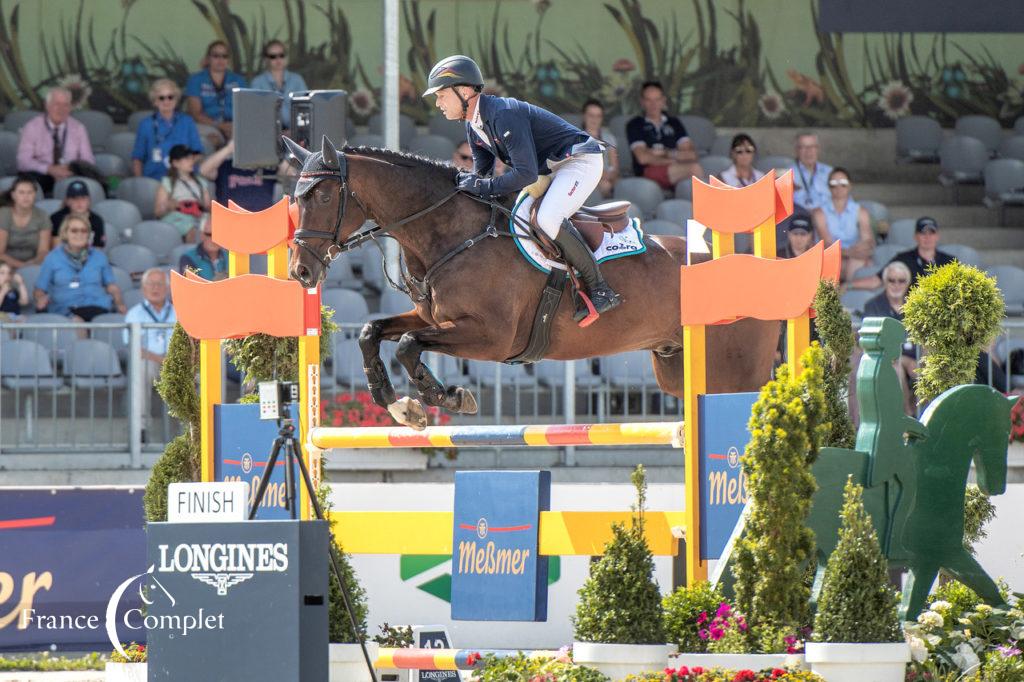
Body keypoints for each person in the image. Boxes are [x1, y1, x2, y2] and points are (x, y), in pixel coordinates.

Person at [423, 54, 621, 325]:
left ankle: (600, 288)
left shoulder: (503, 115)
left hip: (579, 162)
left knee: (546, 219)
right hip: (551, 168)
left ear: (465, 91)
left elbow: (523, 174)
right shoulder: (474, 125)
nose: (438, 102)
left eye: (442, 94)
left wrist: (482, 186)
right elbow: (483, 176)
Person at [34, 214, 125, 320]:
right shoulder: (52, 258)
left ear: (89, 234)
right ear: (65, 233)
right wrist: (40, 299)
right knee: (76, 322)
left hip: (98, 307)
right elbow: (39, 290)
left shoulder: (99, 257)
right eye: (74, 231)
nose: (79, 234)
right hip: (66, 309)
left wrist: (119, 304)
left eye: (83, 231)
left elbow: (111, 286)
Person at [124, 268, 176, 439]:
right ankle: (141, 429)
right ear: (143, 289)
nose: (155, 288)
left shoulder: (179, 312)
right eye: (150, 284)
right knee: (140, 370)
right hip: (151, 362)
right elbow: (133, 347)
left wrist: (174, 360)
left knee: (201, 374)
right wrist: (161, 359)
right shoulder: (134, 314)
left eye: (160, 284)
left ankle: (195, 429)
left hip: (177, 362)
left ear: (168, 288)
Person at [15, 87, 96, 196]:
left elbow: (88, 159)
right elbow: (22, 161)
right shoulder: (32, 127)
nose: (61, 109)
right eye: (57, 104)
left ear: (70, 107)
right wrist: (50, 169)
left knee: (89, 182)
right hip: (42, 174)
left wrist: (68, 169)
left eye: (65, 105)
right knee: (27, 182)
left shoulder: (78, 128)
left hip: (70, 174)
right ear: (47, 106)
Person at [861, 260, 917, 415]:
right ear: (885, 282)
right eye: (891, 280)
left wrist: (924, 361)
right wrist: (903, 360)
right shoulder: (873, 306)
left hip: (915, 358)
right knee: (897, 369)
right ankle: (905, 418)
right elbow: (871, 342)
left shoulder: (916, 306)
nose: (896, 285)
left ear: (908, 283)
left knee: (929, 372)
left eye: (901, 280)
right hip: (886, 360)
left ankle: (925, 419)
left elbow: (927, 340)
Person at [625, 81, 702, 190]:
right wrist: (673, 159)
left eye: (657, 99)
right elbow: (642, 158)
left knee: (693, 172)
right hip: (648, 172)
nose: (653, 104)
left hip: (675, 169)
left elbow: (691, 155)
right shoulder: (635, 124)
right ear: (642, 102)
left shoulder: (674, 123)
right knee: (694, 169)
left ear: (663, 101)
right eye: (648, 100)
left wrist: (664, 153)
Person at [850, 216, 955, 291]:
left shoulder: (949, 261)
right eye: (923, 233)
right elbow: (876, 281)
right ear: (915, 237)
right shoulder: (903, 259)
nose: (927, 237)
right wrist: (848, 285)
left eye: (931, 233)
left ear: (937, 236)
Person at [131, 78, 204, 181]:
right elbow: (137, 158)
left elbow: (198, 153)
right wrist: (139, 183)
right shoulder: (145, 124)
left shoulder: (187, 121)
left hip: (183, 178)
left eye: (170, 97)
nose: (166, 101)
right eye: (161, 98)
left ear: (176, 99)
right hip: (154, 179)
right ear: (154, 101)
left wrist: (182, 164)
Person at [810, 167, 874, 281]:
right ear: (829, 187)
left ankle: (847, 293)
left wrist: (859, 251)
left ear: (850, 185)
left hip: (853, 259)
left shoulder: (861, 211)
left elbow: (867, 240)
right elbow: (827, 245)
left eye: (843, 183)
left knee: (858, 262)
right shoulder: (819, 212)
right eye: (834, 183)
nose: (839, 187)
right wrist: (849, 253)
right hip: (829, 258)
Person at [184, 40, 247, 143]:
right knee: (211, 140)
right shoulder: (196, 80)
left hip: (234, 125)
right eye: (216, 55)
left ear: (228, 60)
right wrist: (220, 126)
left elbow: (245, 109)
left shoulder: (238, 80)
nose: (220, 59)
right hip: (207, 125)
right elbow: (195, 113)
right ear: (208, 58)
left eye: (224, 56)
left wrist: (234, 127)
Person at [198, 139, 280, 212]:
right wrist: (228, 149)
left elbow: (289, 172)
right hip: (230, 217)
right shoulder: (226, 166)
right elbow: (203, 170)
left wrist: (271, 150)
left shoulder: (267, 167)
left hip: (261, 218)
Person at [155, 144, 211, 242]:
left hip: (197, 215)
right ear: (175, 163)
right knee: (191, 229)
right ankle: (191, 255)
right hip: (176, 216)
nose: (191, 161)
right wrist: (169, 206)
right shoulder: (167, 182)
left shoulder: (200, 182)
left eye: (192, 158)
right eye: (187, 159)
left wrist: (203, 206)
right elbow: (158, 212)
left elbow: (208, 206)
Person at [249, 40, 307, 129]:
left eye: (281, 55)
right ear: (266, 59)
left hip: (295, 133)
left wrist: (295, 132)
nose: (278, 59)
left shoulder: (297, 80)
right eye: (273, 56)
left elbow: (305, 109)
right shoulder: (257, 82)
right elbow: (254, 113)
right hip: (266, 132)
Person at [0, 175, 50, 268]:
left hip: (33, 265)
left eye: (30, 192)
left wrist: (33, 264)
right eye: (21, 192)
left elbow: (43, 251)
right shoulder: (3, 214)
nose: (26, 196)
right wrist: (22, 266)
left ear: (35, 194)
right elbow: (0, 253)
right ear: (13, 195)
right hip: (4, 266)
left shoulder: (43, 216)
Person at [49, 179, 106, 249]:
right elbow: (56, 249)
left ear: (89, 201)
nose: (79, 202)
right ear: (67, 201)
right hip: (62, 258)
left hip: (90, 258)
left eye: (83, 198)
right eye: (74, 199)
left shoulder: (97, 220)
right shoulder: (56, 218)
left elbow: (98, 251)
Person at [580, 99, 619, 197]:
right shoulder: (577, 139)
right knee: (605, 185)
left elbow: (614, 166)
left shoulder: (609, 137)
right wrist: (602, 175)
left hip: (608, 177)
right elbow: (582, 167)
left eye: (598, 116)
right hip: (587, 178)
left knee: (620, 184)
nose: (595, 119)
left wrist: (612, 176)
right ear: (584, 116)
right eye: (591, 115)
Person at [178, 215, 228, 280]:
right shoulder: (188, 258)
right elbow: (191, 287)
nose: (214, 239)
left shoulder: (230, 256)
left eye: (218, 234)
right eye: (209, 235)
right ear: (202, 235)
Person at [791, 132, 832, 210]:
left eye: (812, 147)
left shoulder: (830, 172)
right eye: (803, 147)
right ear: (796, 150)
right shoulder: (787, 174)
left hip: (826, 218)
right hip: (798, 219)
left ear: (818, 149)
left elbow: (845, 201)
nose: (808, 151)